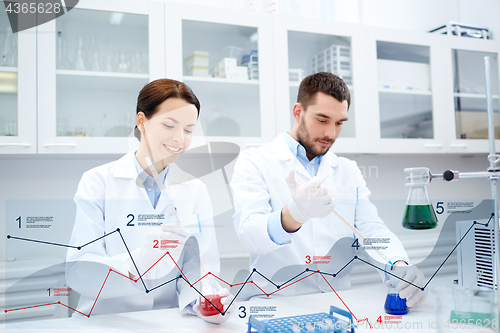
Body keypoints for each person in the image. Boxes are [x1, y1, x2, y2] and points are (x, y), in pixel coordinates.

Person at [230, 72, 428, 308]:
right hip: (276, 303)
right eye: (322, 120)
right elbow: (249, 236)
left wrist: (398, 266)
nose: (330, 134)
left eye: (339, 123)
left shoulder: (346, 169)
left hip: (338, 304)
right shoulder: (255, 161)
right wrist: (293, 216)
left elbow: (370, 229)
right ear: (298, 112)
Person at [66, 79, 230, 324]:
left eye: (188, 130)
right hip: (105, 321)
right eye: (169, 125)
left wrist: (204, 299)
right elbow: (79, 271)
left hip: (167, 322)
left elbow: (199, 268)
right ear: (141, 121)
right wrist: (137, 262)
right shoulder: (98, 182)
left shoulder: (195, 190)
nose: (179, 139)